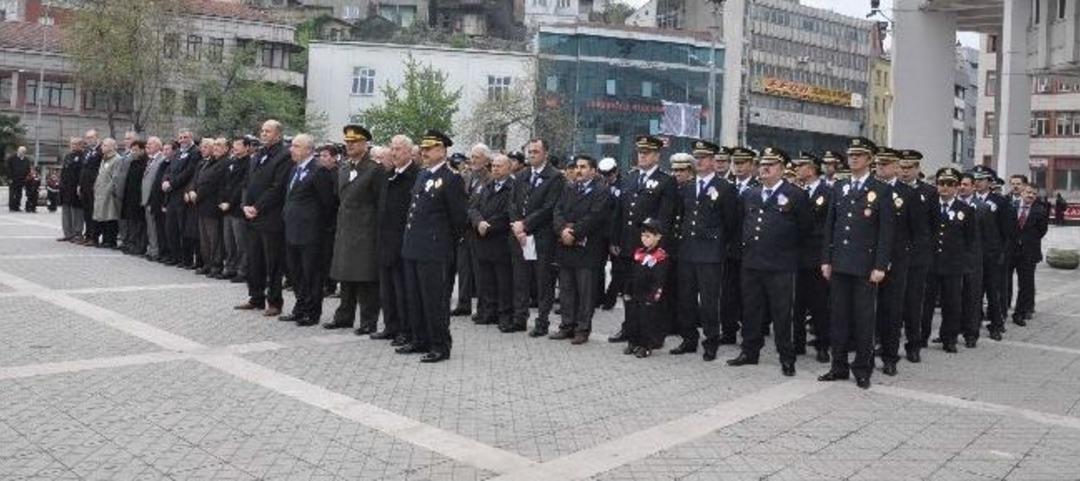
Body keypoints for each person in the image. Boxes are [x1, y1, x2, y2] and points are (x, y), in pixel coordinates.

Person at [728, 147, 811, 377]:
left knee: (782, 314)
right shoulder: (750, 194)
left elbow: (806, 229)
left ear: (782, 169)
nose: (764, 168)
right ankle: (749, 351)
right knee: (751, 311)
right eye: (762, 164)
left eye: (771, 164)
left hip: (781, 265)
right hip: (752, 262)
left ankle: (787, 356)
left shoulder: (796, 195)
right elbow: (740, 225)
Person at [818, 137, 893, 390]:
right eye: (850, 155)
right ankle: (838, 366)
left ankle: (862, 368)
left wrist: (881, 265)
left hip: (865, 265)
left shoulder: (881, 190)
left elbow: (885, 232)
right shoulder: (839, 187)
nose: (853, 159)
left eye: (859, 155)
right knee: (838, 317)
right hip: (839, 263)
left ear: (870, 160)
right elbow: (831, 225)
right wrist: (826, 259)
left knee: (863, 319)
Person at [397, 130, 467, 363]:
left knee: (434, 300)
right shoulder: (423, 175)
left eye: (429, 149)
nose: (423, 153)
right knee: (414, 297)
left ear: (442, 150)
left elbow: (458, 219)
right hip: (414, 246)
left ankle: (440, 345)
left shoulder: (452, 178)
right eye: (422, 149)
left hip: (435, 250)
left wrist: (443, 243)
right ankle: (420, 339)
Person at [671, 140, 737, 361]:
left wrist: (720, 246)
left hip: (710, 253)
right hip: (688, 251)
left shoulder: (725, 188)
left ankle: (711, 341)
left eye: (704, 158)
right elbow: (680, 218)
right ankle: (689, 339)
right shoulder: (687, 188)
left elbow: (730, 222)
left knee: (709, 301)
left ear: (712, 161)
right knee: (686, 299)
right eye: (696, 157)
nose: (699, 161)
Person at [608, 135, 677, 344]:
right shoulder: (629, 178)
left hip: (649, 249)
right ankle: (629, 328)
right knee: (628, 291)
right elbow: (619, 213)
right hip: (628, 246)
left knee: (649, 294)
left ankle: (652, 334)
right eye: (640, 152)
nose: (642, 156)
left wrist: (657, 249)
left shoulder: (666, 181)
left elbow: (665, 218)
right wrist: (615, 240)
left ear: (657, 155)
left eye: (647, 153)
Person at [326, 125, 384, 334]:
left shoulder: (375, 170)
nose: (349, 146)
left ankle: (368, 321)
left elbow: (380, 204)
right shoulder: (344, 168)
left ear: (364, 144)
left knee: (365, 278)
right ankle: (344, 316)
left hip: (365, 231)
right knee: (346, 274)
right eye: (347, 143)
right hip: (346, 229)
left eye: (353, 143)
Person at [551, 154, 612, 344]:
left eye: (583, 167)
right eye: (577, 167)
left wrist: (574, 233)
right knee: (567, 289)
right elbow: (557, 210)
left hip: (588, 249)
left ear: (593, 171)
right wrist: (562, 230)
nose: (578, 170)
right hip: (566, 247)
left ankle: (582, 329)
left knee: (585, 292)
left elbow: (595, 217)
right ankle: (567, 325)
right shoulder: (568, 188)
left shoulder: (601, 191)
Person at [509, 138, 566, 336]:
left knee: (543, 281)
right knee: (520, 279)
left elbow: (549, 207)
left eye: (535, 151)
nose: (531, 155)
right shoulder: (522, 175)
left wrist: (525, 224)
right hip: (520, 236)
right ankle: (520, 318)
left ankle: (542, 322)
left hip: (541, 236)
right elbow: (513, 203)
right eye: (529, 152)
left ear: (545, 154)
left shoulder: (555, 177)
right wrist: (517, 225)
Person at [234, 120, 291, 317]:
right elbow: (249, 183)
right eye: (262, 131)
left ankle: (274, 301)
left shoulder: (284, 155)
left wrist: (257, 207)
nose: (264, 134)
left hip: (271, 217)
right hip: (252, 215)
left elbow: (277, 187)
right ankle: (255, 297)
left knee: (273, 262)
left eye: (268, 131)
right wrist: (246, 206)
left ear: (278, 134)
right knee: (254, 258)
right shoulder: (258, 154)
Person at [872, 147, 920, 376]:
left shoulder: (908, 193)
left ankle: (890, 356)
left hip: (896, 261)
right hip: (868, 259)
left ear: (896, 166)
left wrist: (906, 258)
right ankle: (868, 350)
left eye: (885, 164)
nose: (880, 167)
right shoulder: (867, 189)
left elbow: (917, 231)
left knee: (892, 310)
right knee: (868, 309)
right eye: (878, 164)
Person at [279, 134, 336, 326]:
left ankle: (312, 312)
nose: (291, 149)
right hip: (292, 230)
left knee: (311, 273)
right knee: (295, 272)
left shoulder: (319, 171)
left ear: (309, 150)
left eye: (296, 146)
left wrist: (320, 228)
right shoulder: (295, 168)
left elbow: (328, 203)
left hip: (311, 233)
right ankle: (300, 306)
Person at [922, 167, 975, 353]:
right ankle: (922, 336)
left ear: (956, 187)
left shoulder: (965, 210)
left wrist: (963, 263)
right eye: (941, 183)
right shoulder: (928, 206)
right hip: (930, 263)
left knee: (951, 303)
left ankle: (949, 338)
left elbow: (970, 240)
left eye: (950, 184)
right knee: (925, 303)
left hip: (953, 265)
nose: (945, 187)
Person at [374, 134, 418, 343]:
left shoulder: (415, 175)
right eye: (392, 148)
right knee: (387, 289)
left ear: (410, 152)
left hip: (403, 241)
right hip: (384, 239)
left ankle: (405, 329)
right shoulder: (388, 174)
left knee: (403, 290)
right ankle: (390, 326)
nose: (394, 152)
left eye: (399, 149)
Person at [791, 151, 832, 363]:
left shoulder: (827, 191)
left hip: (816, 258)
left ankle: (823, 345)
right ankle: (797, 343)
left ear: (813, 168)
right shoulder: (796, 192)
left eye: (801, 165)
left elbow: (826, 227)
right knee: (796, 304)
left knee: (819, 305)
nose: (797, 168)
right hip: (796, 257)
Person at [897, 149, 936, 363]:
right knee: (892, 303)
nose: (905, 171)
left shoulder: (929, 192)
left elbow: (933, 225)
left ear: (918, 169)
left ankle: (914, 344)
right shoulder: (890, 190)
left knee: (913, 303)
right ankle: (887, 342)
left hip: (917, 258)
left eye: (909, 167)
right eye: (902, 167)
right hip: (895, 256)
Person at [469, 153, 515, 330]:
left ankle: (504, 315)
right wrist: (478, 221)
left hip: (500, 240)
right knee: (486, 280)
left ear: (508, 168)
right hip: (482, 239)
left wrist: (489, 225)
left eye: (499, 166)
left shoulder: (512, 187)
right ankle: (488, 312)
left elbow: (508, 213)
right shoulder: (486, 185)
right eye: (493, 166)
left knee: (503, 281)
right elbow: (473, 207)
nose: (495, 169)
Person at [972, 165, 1013, 340]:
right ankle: (973, 322)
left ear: (989, 182)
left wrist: (1001, 253)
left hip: (991, 254)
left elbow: (1006, 231)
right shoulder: (968, 200)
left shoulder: (1000, 202)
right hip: (973, 254)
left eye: (981, 180)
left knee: (993, 291)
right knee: (973, 292)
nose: (978, 183)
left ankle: (996, 324)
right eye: (976, 180)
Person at [451, 144, 492, 317]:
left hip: (478, 228)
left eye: (477, 157)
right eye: (472, 156)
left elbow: (482, 205)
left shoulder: (489, 179)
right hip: (463, 229)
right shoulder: (466, 176)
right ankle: (463, 303)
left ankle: (483, 306)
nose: (473, 160)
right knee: (464, 267)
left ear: (486, 159)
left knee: (479, 270)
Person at [624, 218, 670, 358]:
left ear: (658, 237)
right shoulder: (639, 252)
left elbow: (659, 280)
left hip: (648, 295)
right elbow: (631, 274)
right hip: (635, 293)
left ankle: (646, 346)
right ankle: (633, 342)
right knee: (632, 318)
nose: (644, 239)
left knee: (647, 320)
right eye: (643, 235)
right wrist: (627, 290)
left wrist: (654, 297)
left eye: (648, 236)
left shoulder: (660, 256)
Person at [190, 138, 230, 278]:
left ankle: (216, 265)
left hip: (212, 206)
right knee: (204, 238)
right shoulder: (210, 161)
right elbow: (199, 179)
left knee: (215, 239)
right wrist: (192, 190)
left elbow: (211, 183)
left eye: (219, 145)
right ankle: (207, 264)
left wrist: (197, 194)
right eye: (216, 145)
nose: (216, 148)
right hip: (202, 205)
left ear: (226, 148)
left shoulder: (224, 163)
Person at [1011, 184, 1049, 326]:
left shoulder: (1040, 210)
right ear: (1022, 192)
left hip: (1028, 253)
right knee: (1002, 282)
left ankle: (1020, 313)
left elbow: (1041, 231)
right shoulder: (1012, 206)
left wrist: (1026, 241)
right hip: (1010, 251)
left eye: (1034, 193)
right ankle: (1000, 312)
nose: (1030, 195)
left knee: (1025, 284)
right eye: (1028, 192)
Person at [162, 130, 201, 266]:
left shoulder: (195, 152)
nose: (183, 140)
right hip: (172, 196)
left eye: (186, 137)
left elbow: (189, 172)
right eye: (180, 138)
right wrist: (165, 181)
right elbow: (168, 169)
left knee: (183, 228)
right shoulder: (178, 152)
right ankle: (175, 256)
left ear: (191, 138)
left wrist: (171, 183)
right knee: (170, 227)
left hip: (182, 195)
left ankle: (186, 259)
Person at [221, 136, 255, 283]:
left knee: (241, 242)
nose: (234, 147)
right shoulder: (232, 161)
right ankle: (230, 267)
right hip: (226, 207)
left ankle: (243, 270)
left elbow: (242, 186)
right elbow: (224, 183)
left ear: (247, 147)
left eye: (238, 144)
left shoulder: (249, 163)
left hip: (237, 208)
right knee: (229, 242)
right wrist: (222, 200)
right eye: (234, 144)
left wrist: (230, 202)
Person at [92, 139, 123, 248]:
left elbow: (115, 178)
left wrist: (108, 190)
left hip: (109, 193)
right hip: (100, 191)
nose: (102, 147)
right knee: (102, 216)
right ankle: (104, 239)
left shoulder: (117, 159)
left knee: (110, 216)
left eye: (104, 145)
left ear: (111, 147)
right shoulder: (104, 159)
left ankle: (110, 240)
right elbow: (100, 174)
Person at [120, 140, 149, 256]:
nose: (133, 152)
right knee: (132, 223)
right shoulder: (133, 163)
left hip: (139, 198)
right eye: (132, 150)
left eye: (136, 150)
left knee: (140, 224)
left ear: (142, 150)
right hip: (130, 198)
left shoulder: (145, 163)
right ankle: (132, 244)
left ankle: (140, 246)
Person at [142, 138, 169, 263]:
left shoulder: (161, 159)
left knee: (155, 227)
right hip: (146, 198)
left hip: (154, 199)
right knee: (150, 227)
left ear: (158, 146)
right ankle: (152, 249)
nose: (148, 145)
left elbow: (156, 181)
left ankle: (155, 251)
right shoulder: (151, 160)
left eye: (151, 143)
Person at [78, 130, 103, 245]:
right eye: (87, 138)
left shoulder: (101, 151)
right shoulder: (86, 151)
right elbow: (82, 169)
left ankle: (94, 237)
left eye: (91, 137)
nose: (89, 140)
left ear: (97, 138)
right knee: (86, 211)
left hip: (94, 186)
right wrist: (79, 184)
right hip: (84, 186)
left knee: (94, 211)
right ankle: (87, 235)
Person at [58, 139, 84, 242]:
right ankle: (68, 233)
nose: (73, 146)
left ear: (81, 145)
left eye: (76, 144)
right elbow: (64, 171)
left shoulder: (82, 156)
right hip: (66, 188)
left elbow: (81, 173)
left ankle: (77, 233)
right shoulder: (68, 156)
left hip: (75, 188)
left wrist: (79, 185)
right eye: (72, 144)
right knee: (66, 211)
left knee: (77, 211)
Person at [6, 146, 30, 212]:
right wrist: (9, 178)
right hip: (13, 179)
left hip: (22, 179)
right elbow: (8, 169)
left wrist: (27, 179)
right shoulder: (12, 158)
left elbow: (28, 169)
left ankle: (17, 207)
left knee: (19, 194)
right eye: (20, 151)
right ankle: (11, 207)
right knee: (12, 194)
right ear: (18, 151)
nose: (21, 153)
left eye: (23, 152)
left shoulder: (26, 160)